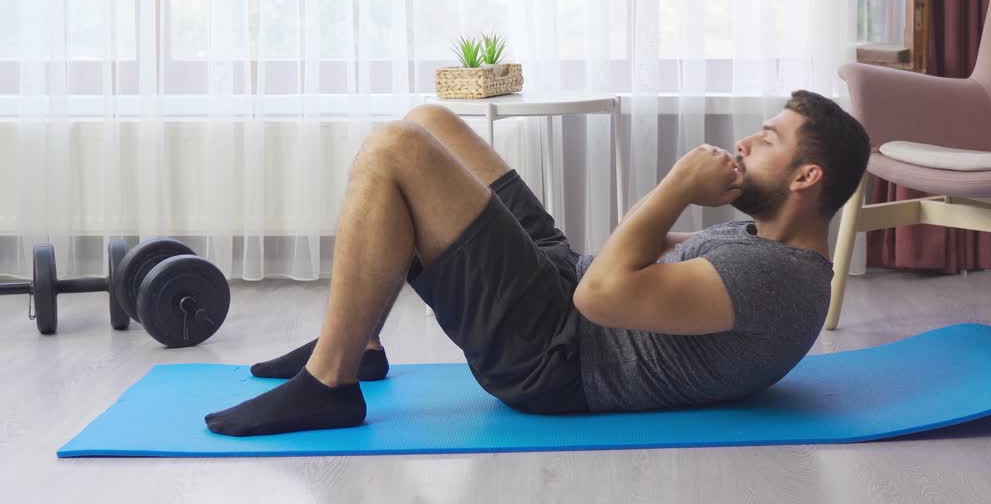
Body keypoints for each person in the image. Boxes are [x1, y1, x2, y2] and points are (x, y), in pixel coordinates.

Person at [205, 90, 870, 436]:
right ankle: (362, 342)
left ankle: (330, 383)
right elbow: (630, 250)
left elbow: (599, 297)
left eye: (768, 140)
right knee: (430, 121)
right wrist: (675, 202)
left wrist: (677, 186)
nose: (746, 142)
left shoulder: (774, 278)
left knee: (395, 148)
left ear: (805, 177)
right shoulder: (765, 243)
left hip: (557, 355)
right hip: (566, 287)